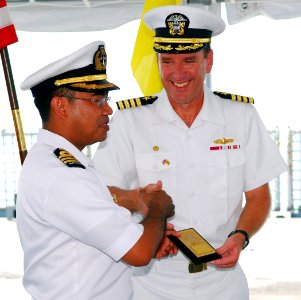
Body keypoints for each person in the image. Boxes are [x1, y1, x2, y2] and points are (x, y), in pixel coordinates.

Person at [92, 5, 288, 300]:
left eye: (189, 60)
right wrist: (141, 222)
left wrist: (240, 237)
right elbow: (104, 195)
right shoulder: (129, 121)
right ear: (156, 61)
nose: (177, 72)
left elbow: (259, 196)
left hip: (224, 280)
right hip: (151, 282)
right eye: (167, 61)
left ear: (208, 61)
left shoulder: (241, 116)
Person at [16, 41, 176, 300]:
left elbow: (95, 223)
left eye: (106, 98)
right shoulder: (62, 174)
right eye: (96, 99)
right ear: (61, 106)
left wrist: (147, 232)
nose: (108, 109)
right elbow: (139, 254)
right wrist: (158, 208)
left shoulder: (61, 162)